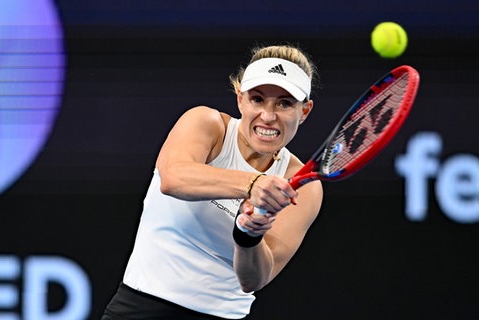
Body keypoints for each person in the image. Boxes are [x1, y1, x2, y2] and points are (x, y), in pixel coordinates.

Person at [102, 43, 323, 320]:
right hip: (140, 308)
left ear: (304, 111)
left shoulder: (305, 186)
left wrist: (248, 236)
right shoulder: (205, 123)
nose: (268, 116)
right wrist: (254, 184)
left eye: (285, 103)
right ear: (240, 98)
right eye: (257, 99)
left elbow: (254, 280)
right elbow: (173, 178)